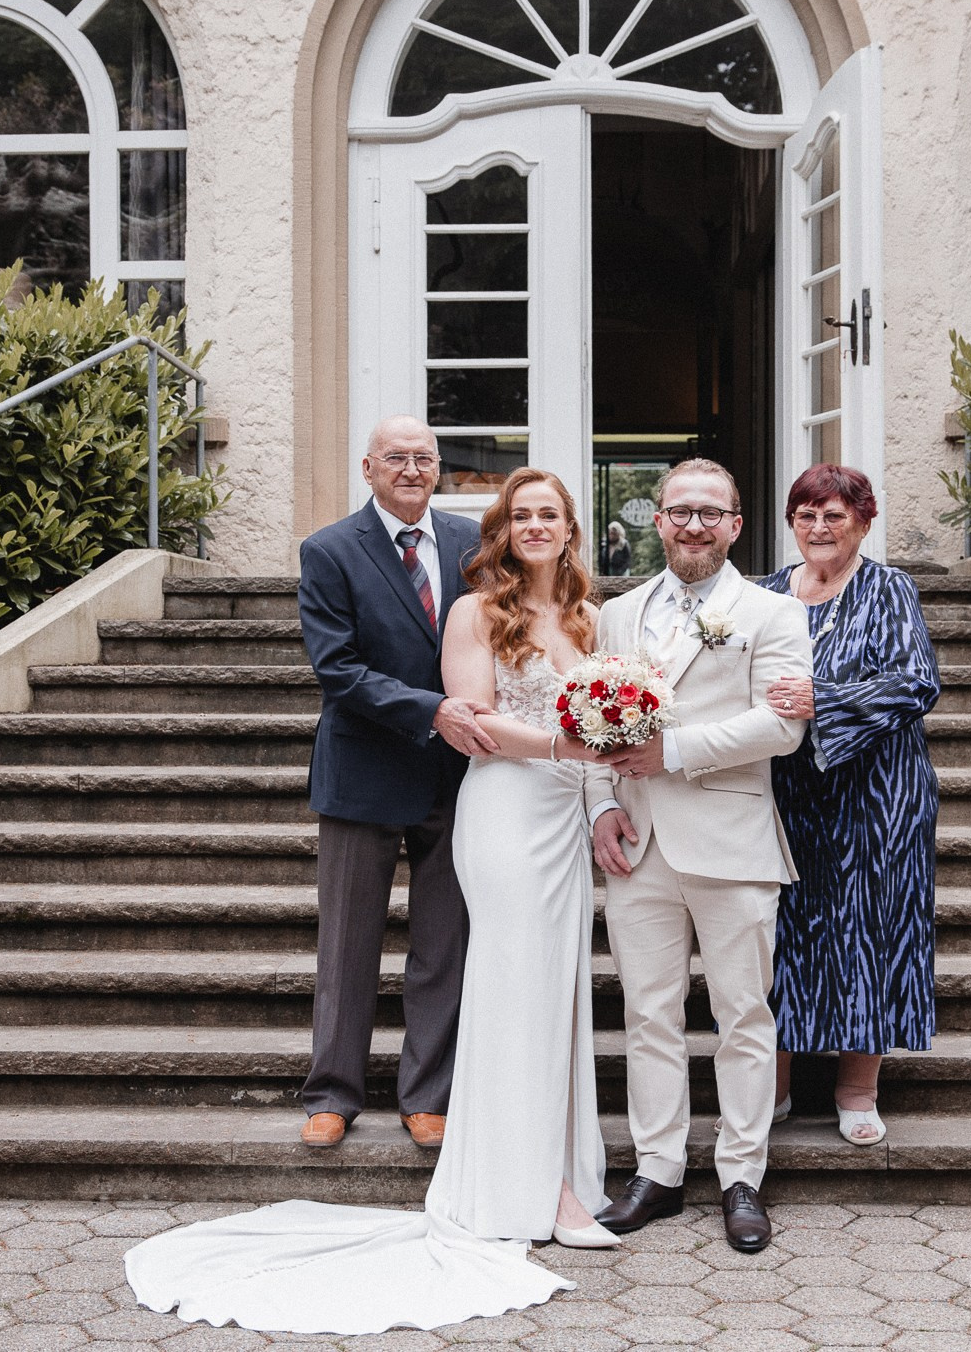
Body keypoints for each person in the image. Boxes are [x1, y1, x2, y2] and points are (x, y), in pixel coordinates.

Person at [126, 467, 615, 1334]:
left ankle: (561, 1168)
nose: (537, 525)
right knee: (507, 987)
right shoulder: (475, 611)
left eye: (552, 514)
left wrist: (605, 788)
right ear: (501, 531)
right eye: (522, 514)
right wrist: (571, 745)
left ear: (573, 529)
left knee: (558, 990)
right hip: (503, 812)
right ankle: (521, 1182)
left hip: (565, 823)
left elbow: (610, 723)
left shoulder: (588, 616)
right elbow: (471, 716)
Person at [585, 457, 812, 1254]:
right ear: (657, 520)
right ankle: (658, 1170)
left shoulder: (772, 613)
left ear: (736, 525)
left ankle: (742, 1175)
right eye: (679, 510)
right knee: (648, 1014)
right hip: (638, 846)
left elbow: (780, 727)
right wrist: (602, 805)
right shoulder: (618, 613)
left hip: (733, 840)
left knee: (743, 1015)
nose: (693, 524)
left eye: (710, 512)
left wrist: (673, 751)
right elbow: (595, 727)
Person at [288, 416, 489, 1152]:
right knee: (347, 941)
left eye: (424, 458)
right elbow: (336, 667)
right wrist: (432, 709)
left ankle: (427, 1093)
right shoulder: (331, 549)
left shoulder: (473, 544)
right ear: (368, 467)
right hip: (365, 768)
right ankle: (332, 1092)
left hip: (455, 772)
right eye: (396, 458)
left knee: (444, 939)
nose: (411, 469)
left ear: (439, 468)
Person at [758, 463, 941, 1147]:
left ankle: (856, 1087)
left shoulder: (888, 587)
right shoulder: (766, 591)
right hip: (783, 790)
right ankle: (771, 1084)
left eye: (835, 514)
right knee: (777, 934)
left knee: (872, 930)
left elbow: (916, 682)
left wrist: (824, 701)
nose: (819, 526)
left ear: (864, 521)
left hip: (876, 793)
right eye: (806, 513)